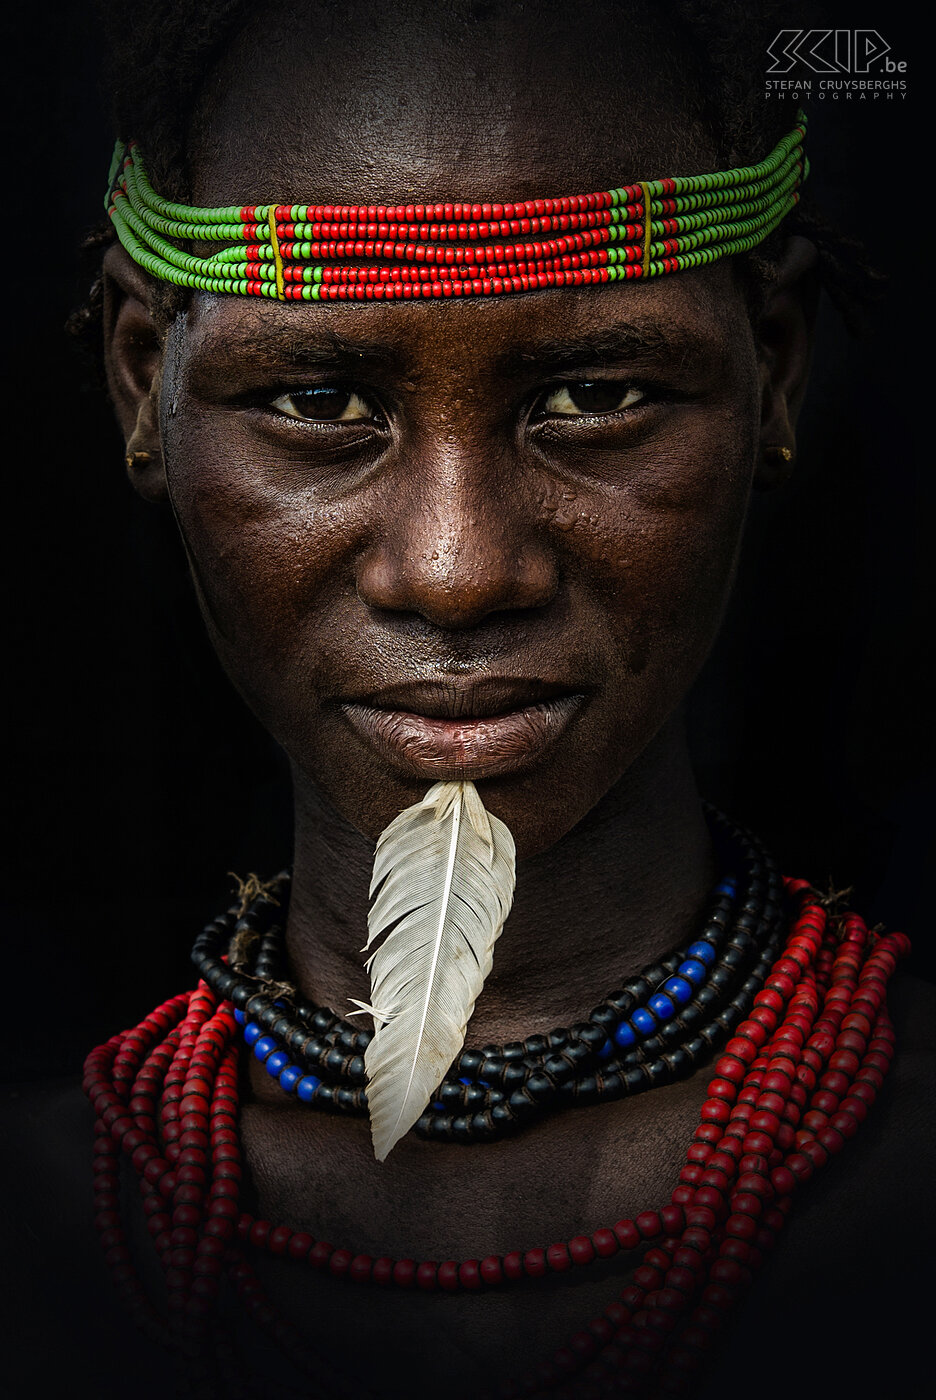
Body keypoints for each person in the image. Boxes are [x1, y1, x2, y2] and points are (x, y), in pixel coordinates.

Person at [5, 2, 931, 1398]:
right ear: (148, 385)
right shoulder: (39, 1233)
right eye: (319, 400)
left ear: (774, 365)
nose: (454, 570)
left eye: (599, 393)